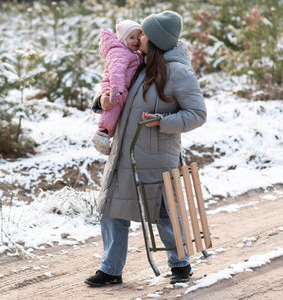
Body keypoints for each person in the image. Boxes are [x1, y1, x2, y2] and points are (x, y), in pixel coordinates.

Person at [85, 11, 207, 287]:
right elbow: (115, 89)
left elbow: (197, 114)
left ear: (157, 41)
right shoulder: (137, 63)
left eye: (144, 34)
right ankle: (110, 269)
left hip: (156, 156)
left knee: (163, 213)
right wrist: (100, 101)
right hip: (125, 153)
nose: (138, 37)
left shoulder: (178, 72)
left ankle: (180, 264)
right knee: (113, 210)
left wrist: (163, 121)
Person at [91, 20, 143, 155]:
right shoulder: (119, 51)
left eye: (138, 37)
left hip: (120, 87)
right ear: (122, 39)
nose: (136, 41)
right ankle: (102, 134)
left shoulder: (133, 53)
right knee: (114, 106)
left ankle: (107, 134)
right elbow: (116, 73)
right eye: (131, 37)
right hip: (115, 87)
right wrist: (116, 91)